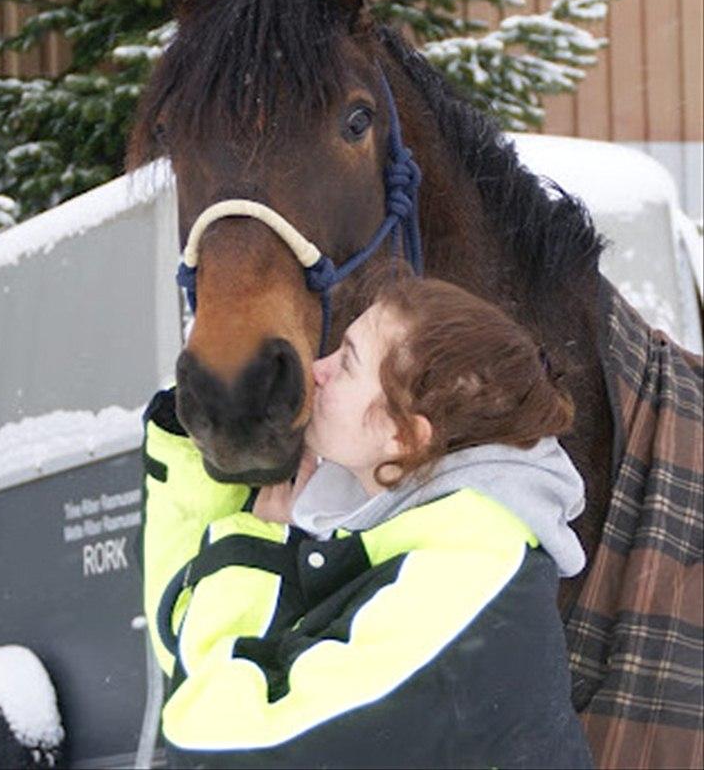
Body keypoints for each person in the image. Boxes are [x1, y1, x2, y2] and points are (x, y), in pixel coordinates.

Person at [141, 274, 594, 769]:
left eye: (348, 362)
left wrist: (252, 558)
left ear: (403, 437)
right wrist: (189, 449)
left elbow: (214, 743)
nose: (316, 370)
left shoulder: (457, 584)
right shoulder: (385, 541)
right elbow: (194, 659)